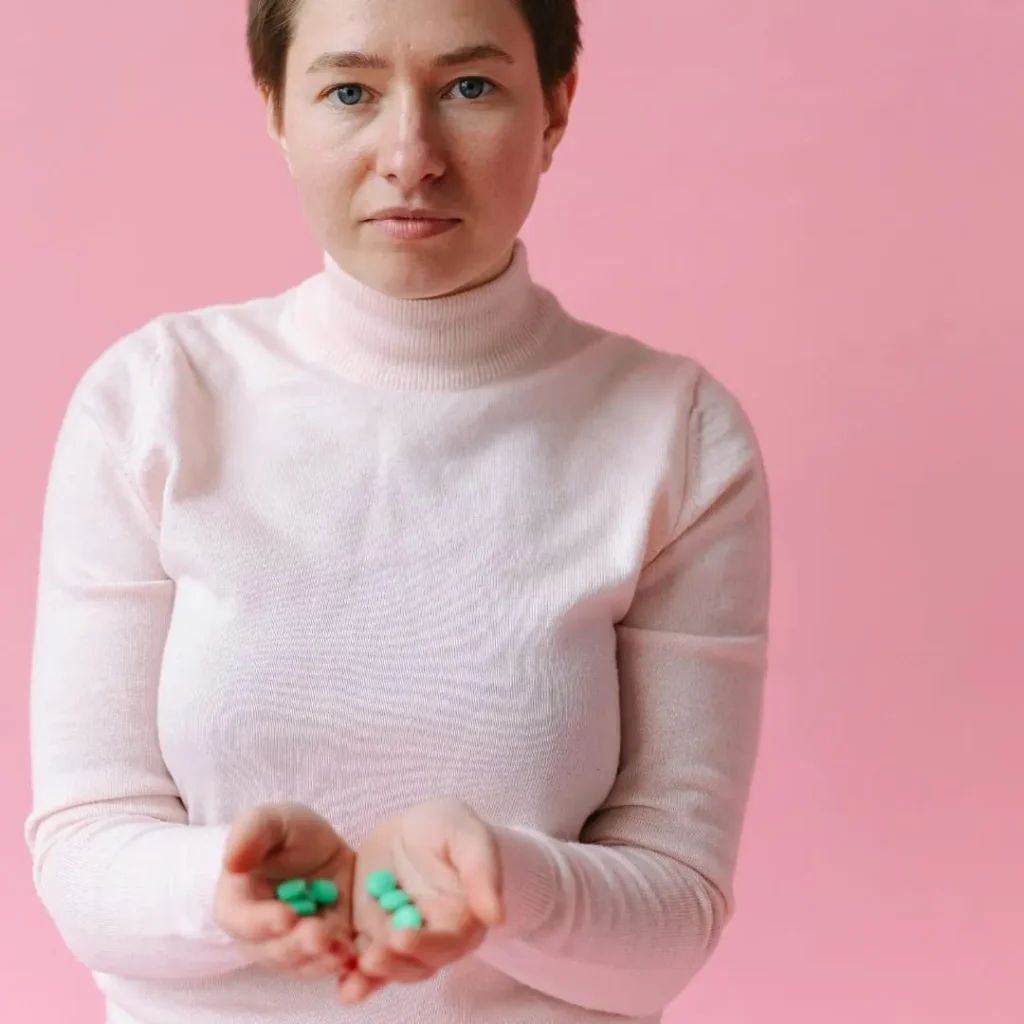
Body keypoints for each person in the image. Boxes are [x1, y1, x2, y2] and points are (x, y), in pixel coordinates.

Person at [25, 0, 772, 1021]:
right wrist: (223, 889)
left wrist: (497, 882)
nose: (410, 156)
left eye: (470, 87)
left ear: (554, 107)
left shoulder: (672, 431)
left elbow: (673, 911)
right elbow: (84, 845)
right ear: (277, 112)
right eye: (349, 92)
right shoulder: (155, 399)